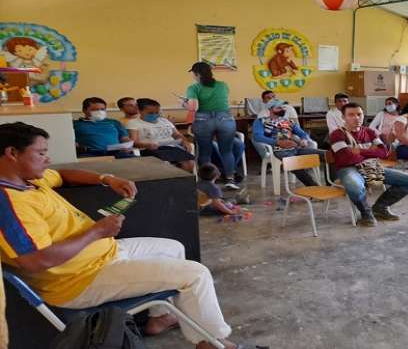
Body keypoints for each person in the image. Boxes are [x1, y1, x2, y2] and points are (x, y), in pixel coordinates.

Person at [0, 122, 262, 349]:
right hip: (78, 280)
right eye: (41, 153)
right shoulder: (9, 203)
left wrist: (107, 178)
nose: (47, 159)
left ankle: (160, 318)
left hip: (102, 253)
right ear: (12, 153)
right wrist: (96, 231)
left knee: (173, 248)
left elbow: (62, 173)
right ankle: (214, 343)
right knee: (196, 274)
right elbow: (35, 261)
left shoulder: (30, 180)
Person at [330, 103, 408, 227]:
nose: (356, 118)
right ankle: (366, 213)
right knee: (355, 186)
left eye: (359, 114)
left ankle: (380, 208)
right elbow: (346, 157)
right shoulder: (337, 134)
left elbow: (383, 152)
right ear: (343, 117)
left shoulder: (369, 132)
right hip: (348, 168)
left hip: (370, 166)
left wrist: (360, 151)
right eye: (351, 115)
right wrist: (371, 151)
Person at [184, 62, 239, 189]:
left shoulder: (193, 88)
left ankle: (208, 183)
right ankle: (230, 179)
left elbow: (194, 107)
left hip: (203, 119)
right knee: (226, 151)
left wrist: (184, 104)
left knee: (205, 152)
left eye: (193, 73)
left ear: (196, 74)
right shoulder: (223, 85)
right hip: (225, 118)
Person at [252, 99, 325, 186]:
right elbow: (257, 137)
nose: (283, 109)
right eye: (279, 108)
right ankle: (314, 188)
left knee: (328, 155)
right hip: (278, 151)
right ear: (270, 109)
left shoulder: (287, 121)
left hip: (296, 149)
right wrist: (277, 142)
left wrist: (304, 139)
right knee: (294, 163)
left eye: (283, 107)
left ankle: (331, 184)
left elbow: (301, 133)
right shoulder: (261, 121)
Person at [126, 98, 195, 172]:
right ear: (139, 111)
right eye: (150, 113)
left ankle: (184, 182)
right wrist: (147, 145)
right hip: (150, 149)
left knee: (190, 163)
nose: (155, 115)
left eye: (157, 112)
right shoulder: (134, 123)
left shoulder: (164, 121)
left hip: (171, 148)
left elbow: (177, 135)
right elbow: (134, 142)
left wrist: (184, 141)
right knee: (166, 165)